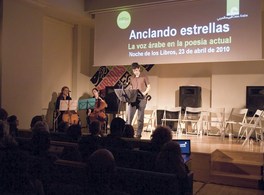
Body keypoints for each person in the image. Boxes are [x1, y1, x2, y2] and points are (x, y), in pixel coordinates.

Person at [127, 62, 151, 139]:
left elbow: (149, 87)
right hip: (133, 99)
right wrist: (130, 89)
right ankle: (128, 132)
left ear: (139, 69)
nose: (135, 71)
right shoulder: (131, 78)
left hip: (142, 99)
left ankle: (138, 134)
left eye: (136, 70)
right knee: (130, 116)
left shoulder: (144, 76)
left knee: (140, 117)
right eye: (134, 70)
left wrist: (144, 93)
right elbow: (131, 86)